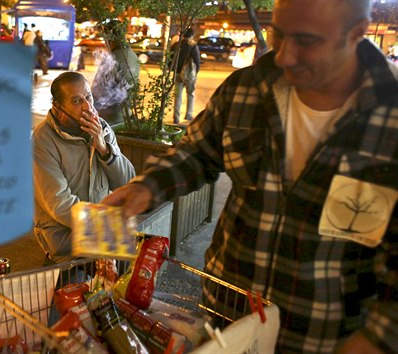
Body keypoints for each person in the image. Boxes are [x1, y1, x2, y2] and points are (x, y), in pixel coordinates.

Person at [102, 1, 397, 353]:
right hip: (227, 319)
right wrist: (148, 186)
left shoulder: (390, 118)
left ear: (357, 33)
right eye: (279, 34)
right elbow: (196, 152)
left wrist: (379, 337)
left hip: (326, 337)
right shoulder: (248, 88)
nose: (284, 56)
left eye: (306, 40)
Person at [33, 71, 135, 264]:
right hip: (63, 238)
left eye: (88, 97)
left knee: (133, 271)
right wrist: (106, 228)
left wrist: (104, 149)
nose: (88, 107)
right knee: (81, 288)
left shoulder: (101, 128)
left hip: (100, 228)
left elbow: (127, 182)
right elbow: (59, 203)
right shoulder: (42, 140)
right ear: (58, 107)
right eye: (77, 101)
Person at [91, 20, 140, 125]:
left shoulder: (112, 59)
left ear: (109, 38)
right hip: (127, 112)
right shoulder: (133, 56)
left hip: (110, 115)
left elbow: (98, 90)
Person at [171, 27, 200, 123]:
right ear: (192, 35)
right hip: (189, 74)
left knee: (178, 95)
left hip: (178, 73)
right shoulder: (193, 46)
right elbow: (197, 61)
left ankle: (176, 117)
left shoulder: (176, 45)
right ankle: (188, 115)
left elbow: (170, 60)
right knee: (190, 94)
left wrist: (173, 70)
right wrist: (195, 72)